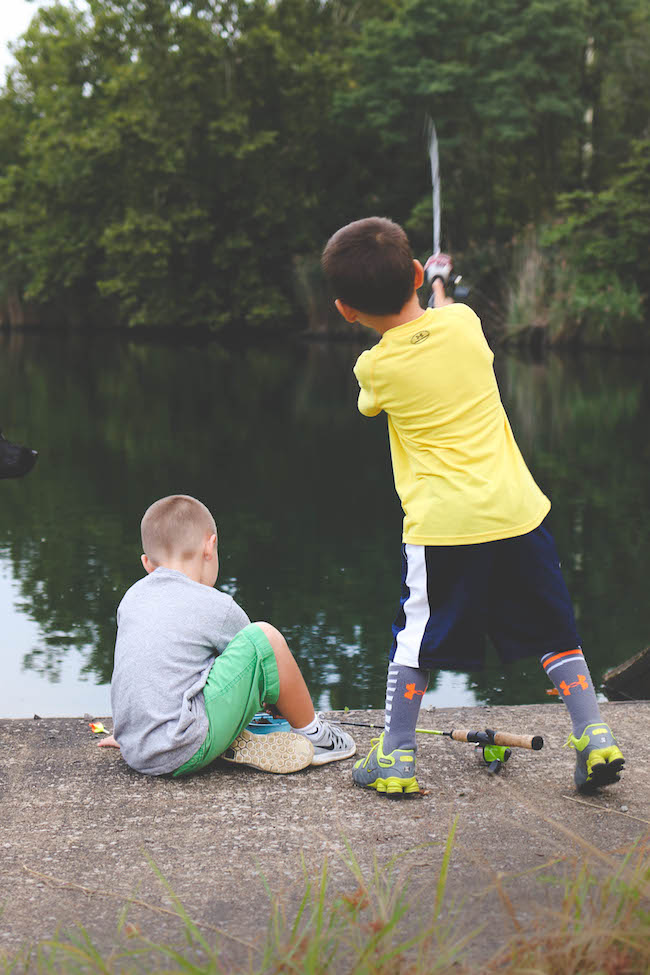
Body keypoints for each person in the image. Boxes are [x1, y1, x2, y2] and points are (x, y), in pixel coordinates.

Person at [321, 216, 625, 797]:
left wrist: (419, 298)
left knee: (413, 638)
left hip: (444, 527)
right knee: (554, 627)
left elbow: (371, 401)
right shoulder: (464, 322)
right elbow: (444, 312)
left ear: (345, 310)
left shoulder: (374, 366)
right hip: (517, 511)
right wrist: (440, 282)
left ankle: (397, 756)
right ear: (415, 272)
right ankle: (593, 733)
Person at [100, 494, 356, 777]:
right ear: (210, 548)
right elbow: (264, 665)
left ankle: (207, 738)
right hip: (182, 747)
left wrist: (132, 736)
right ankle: (315, 735)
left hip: (136, 749)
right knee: (264, 638)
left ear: (148, 564)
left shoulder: (132, 599)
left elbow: (142, 671)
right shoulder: (216, 606)